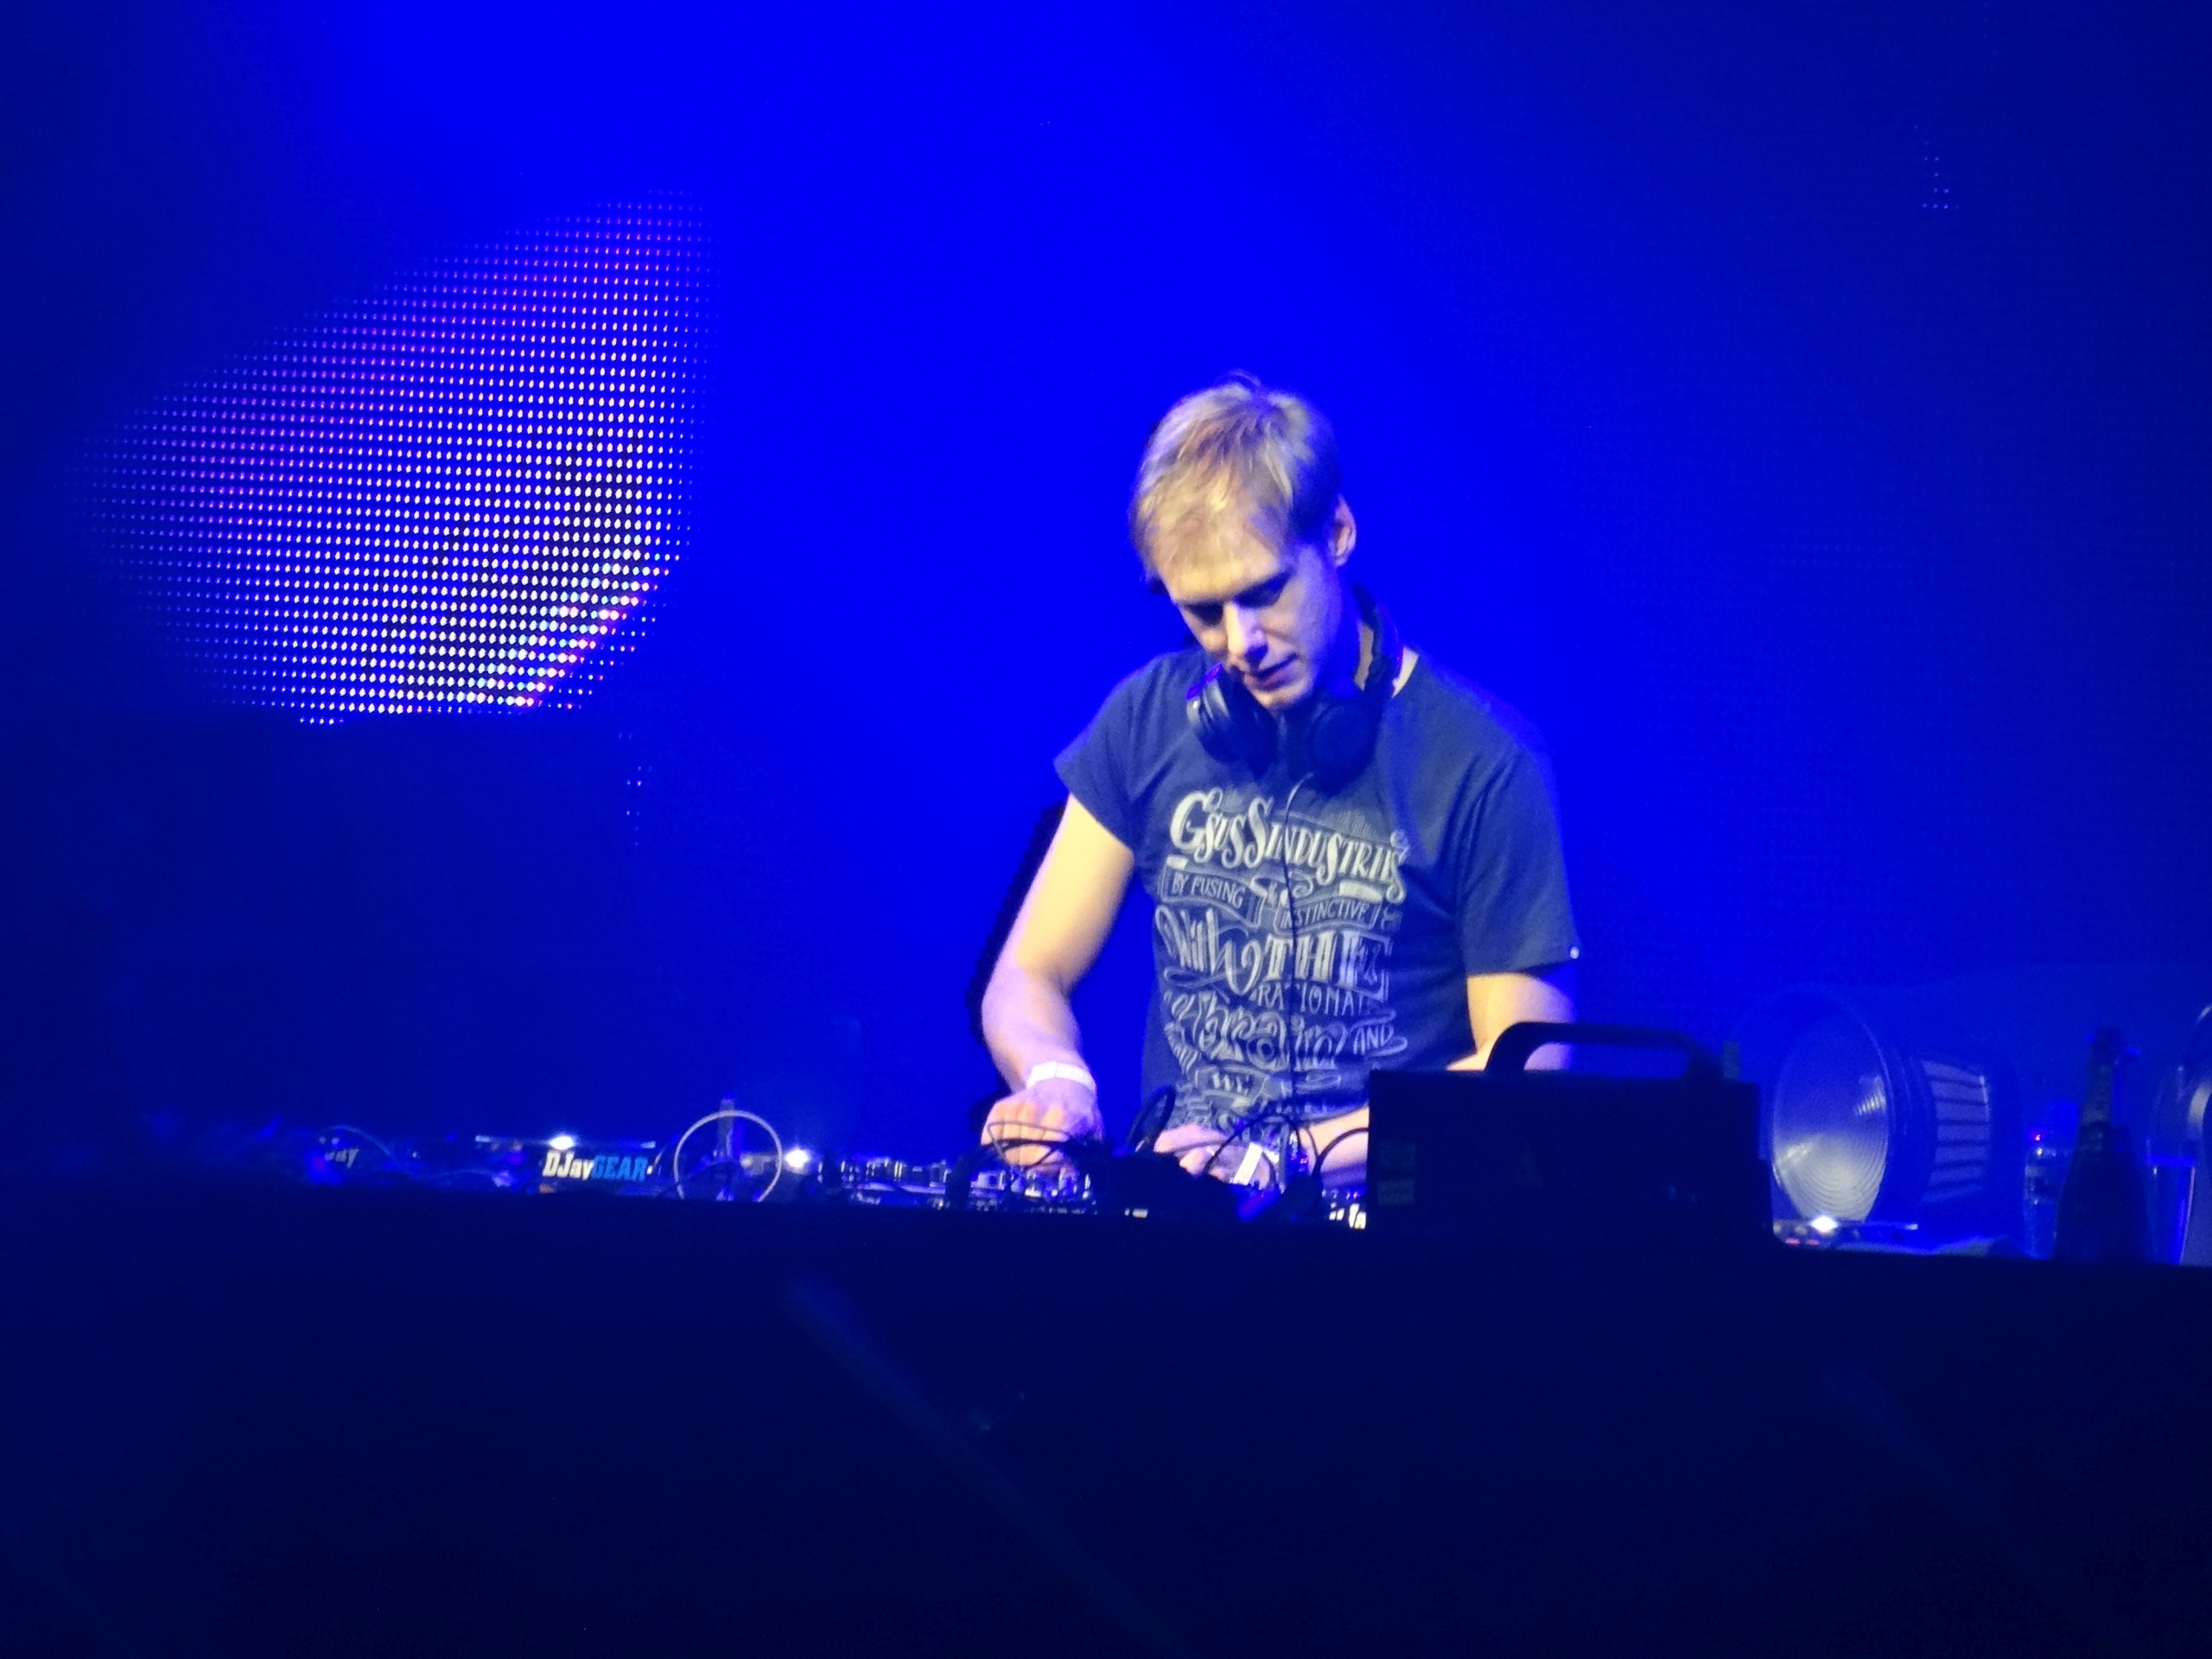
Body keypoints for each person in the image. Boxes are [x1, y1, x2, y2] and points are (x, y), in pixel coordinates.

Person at [979, 375, 1580, 1189]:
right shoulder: (1149, 718)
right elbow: (1027, 974)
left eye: (1265, 592)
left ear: (1338, 532)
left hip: (1382, 1227)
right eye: (1204, 613)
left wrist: (1286, 1160)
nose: (1242, 643)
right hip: (1184, 1221)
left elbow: (1526, 1068)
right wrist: (1056, 1080)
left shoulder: (1483, 761)